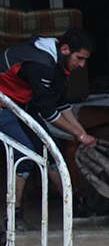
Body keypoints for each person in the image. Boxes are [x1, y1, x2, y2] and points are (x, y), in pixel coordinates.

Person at [0, 28, 98, 231]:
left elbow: (62, 105)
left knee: (52, 153)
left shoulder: (59, 64)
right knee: (23, 154)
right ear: (64, 49)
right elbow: (50, 114)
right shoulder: (42, 65)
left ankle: (72, 207)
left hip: (19, 106)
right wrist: (79, 134)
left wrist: (83, 133)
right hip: (3, 105)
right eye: (79, 58)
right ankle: (13, 218)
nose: (82, 65)